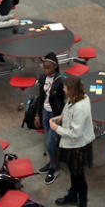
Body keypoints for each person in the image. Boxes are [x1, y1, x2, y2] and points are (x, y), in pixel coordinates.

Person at [49, 76, 94, 207]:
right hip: (71, 145)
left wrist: (57, 128)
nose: (63, 89)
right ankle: (73, 196)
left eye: (65, 87)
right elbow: (69, 112)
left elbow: (76, 133)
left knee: (79, 177)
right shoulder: (76, 98)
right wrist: (62, 117)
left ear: (72, 89)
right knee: (75, 174)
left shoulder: (80, 107)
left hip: (78, 147)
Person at [36, 53, 65, 184]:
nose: (46, 70)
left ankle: (54, 168)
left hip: (54, 116)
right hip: (44, 113)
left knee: (50, 143)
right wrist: (37, 114)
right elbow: (40, 97)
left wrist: (60, 118)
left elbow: (63, 101)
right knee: (49, 140)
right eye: (44, 68)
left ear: (55, 66)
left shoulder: (60, 81)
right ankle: (52, 162)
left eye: (48, 68)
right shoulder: (43, 78)